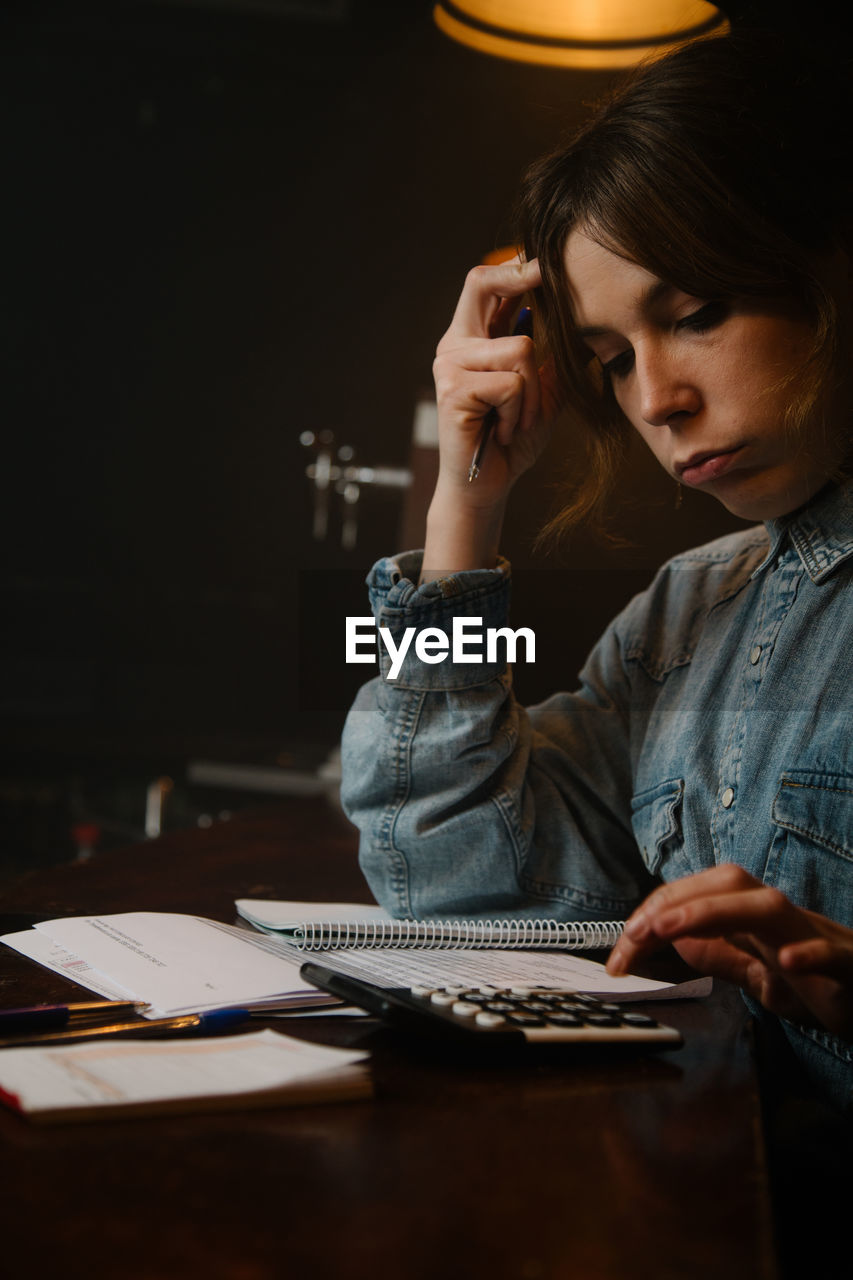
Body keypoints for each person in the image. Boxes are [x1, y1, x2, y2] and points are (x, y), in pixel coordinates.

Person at [339, 30, 853, 1111]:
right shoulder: (683, 614)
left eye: (697, 312)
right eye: (612, 358)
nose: (656, 398)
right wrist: (463, 505)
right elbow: (442, 879)